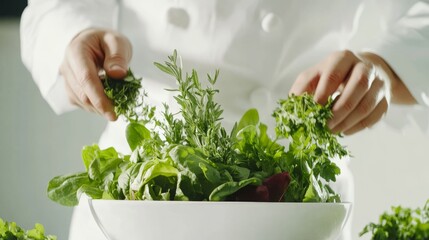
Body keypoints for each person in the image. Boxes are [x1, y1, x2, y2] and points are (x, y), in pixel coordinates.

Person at [20, 1, 429, 239]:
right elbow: (48, 8)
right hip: (147, 185)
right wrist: (72, 38)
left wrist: (385, 68)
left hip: (295, 187)